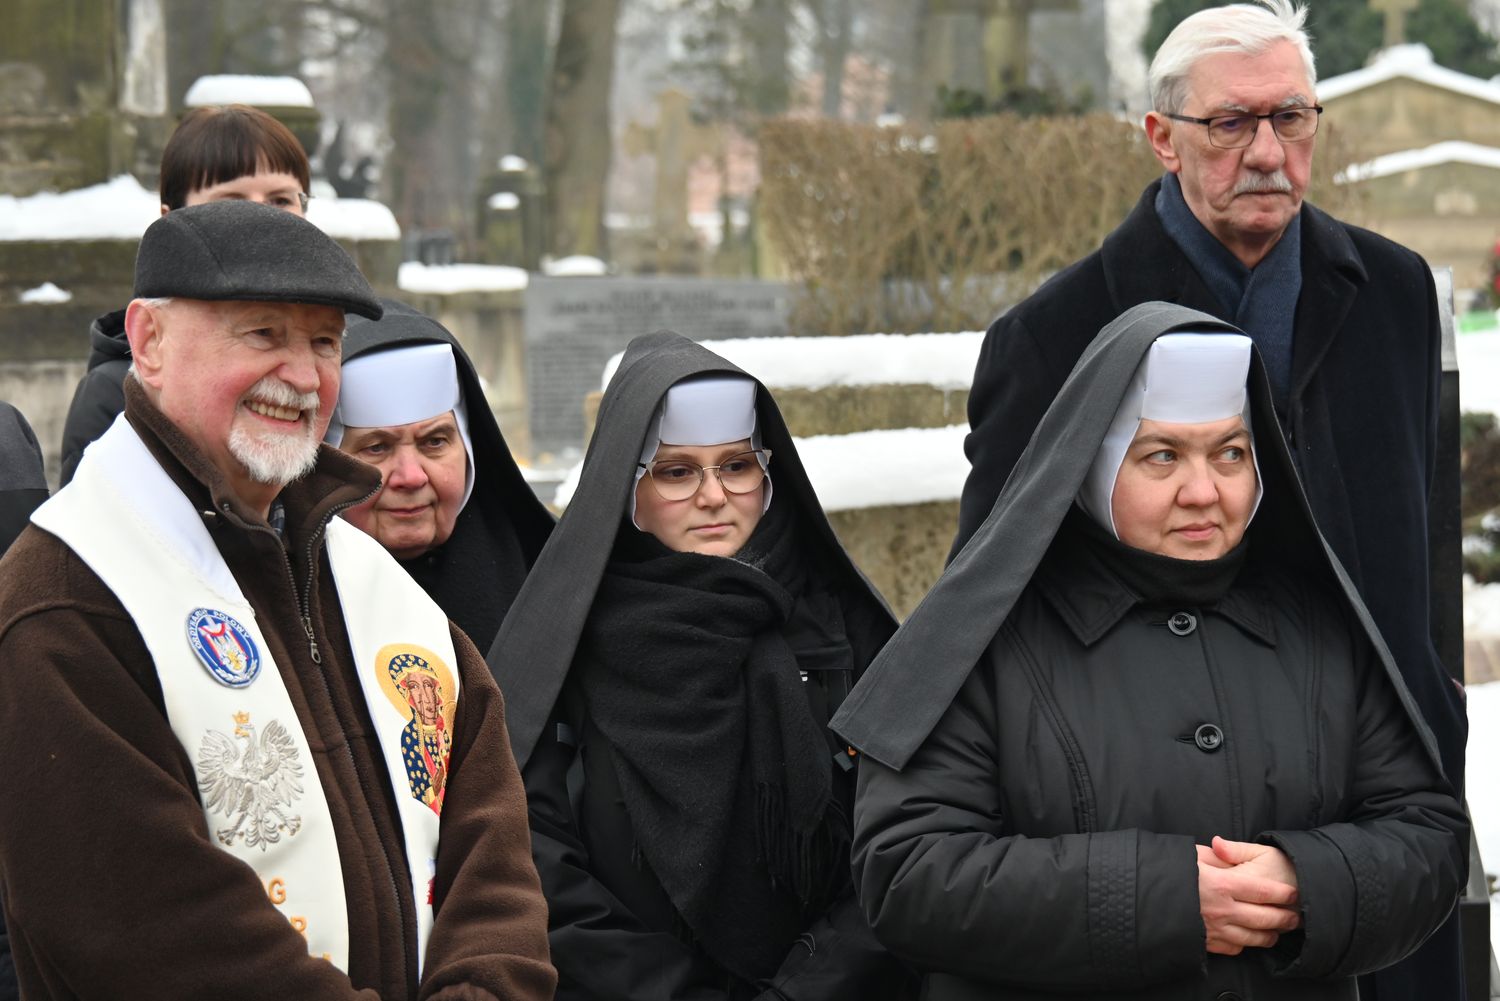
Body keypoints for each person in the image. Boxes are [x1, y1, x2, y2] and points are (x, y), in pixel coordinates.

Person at [950, 3, 1468, 994]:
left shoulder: (1396, 294)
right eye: (1230, 123)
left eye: (1291, 118)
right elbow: (986, 603)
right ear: (1162, 137)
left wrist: (1437, 700)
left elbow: (1425, 537)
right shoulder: (1054, 334)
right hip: (1166, 826)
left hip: (1384, 811)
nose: (1267, 152)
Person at [0, 201, 554, 1001]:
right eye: (263, 333)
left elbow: (493, 852)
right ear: (149, 341)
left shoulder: (366, 576)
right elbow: (154, 935)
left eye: (324, 342)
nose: (302, 376)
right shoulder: (65, 598)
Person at [834, 302, 1467, 1001]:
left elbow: (1427, 836)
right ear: (1093, 466)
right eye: (1161, 456)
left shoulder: (1321, 628)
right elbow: (909, 872)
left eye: (1230, 453)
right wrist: (1163, 901)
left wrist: (1307, 882)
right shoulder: (983, 640)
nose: (1203, 491)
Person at [490, 331, 913, 1000]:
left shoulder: (840, 623)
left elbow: (902, 833)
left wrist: (805, 988)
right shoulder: (566, 638)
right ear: (625, 485)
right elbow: (538, 857)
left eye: (737, 465)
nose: (715, 495)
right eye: (677, 471)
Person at [60, 104, 313, 485]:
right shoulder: (117, 393)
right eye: (232, 202)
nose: (263, 219)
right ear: (171, 219)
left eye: (281, 200)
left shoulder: (333, 364)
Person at [326, 299, 554, 652]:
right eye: (376, 447)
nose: (411, 477)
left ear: (469, 450)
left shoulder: (548, 584)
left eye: (434, 442)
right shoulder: (283, 599)